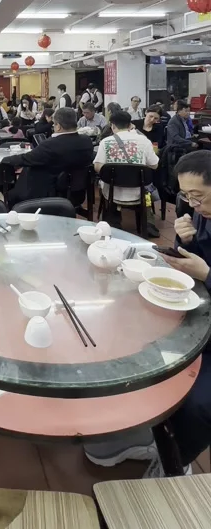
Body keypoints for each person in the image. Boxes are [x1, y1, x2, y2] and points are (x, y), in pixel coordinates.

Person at [85, 149, 211, 477]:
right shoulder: (201, 214)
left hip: (204, 328)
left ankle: (175, 460)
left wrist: (206, 274)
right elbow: (196, 263)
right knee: (126, 334)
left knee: (198, 403)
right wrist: (189, 242)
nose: (193, 205)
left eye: (198, 197)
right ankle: (139, 433)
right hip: (197, 312)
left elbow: (204, 273)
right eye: (186, 196)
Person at [2, 108, 94, 207]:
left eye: (54, 124)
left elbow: (26, 158)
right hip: (77, 193)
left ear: (58, 126)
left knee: (18, 185)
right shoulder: (87, 141)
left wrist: (4, 160)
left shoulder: (50, 144)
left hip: (49, 194)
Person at [94, 109, 159, 235]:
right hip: (138, 193)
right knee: (149, 188)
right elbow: (155, 165)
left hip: (113, 193)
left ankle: (112, 221)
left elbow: (98, 167)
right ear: (130, 125)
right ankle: (147, 224)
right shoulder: (144, 141)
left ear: (112, 125)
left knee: (103, 183)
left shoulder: (105, 142)